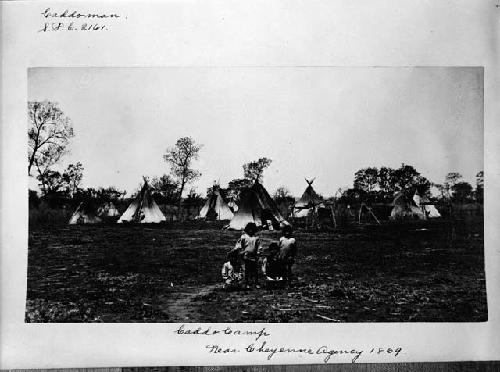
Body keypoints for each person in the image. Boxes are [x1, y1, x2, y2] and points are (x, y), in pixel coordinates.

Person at [235, 222, 261, 289]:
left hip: (253, 255)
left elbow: (258, 246)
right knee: (246, 270)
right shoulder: (243, 237)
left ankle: (256, 283)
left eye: (252, 229)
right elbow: (239, 244)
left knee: (255, 270)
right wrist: (240, 251)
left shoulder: (256, 238)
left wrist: (258, 253)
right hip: (246, 255)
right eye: (249, 229)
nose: (251, 231)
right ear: (247, 230)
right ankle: (246, 283)